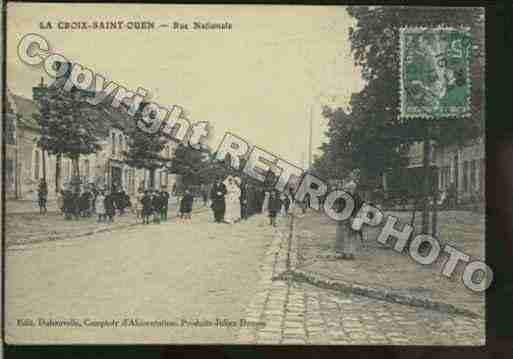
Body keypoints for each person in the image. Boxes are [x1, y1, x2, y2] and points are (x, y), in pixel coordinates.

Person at [335, 180, 363, 260]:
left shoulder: (355, 197)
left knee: (350, 236)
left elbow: (360, 208)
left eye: (351, 188)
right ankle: (345, 253)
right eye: (349, 188)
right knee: (346, 236)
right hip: (347, 218)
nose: (349, 189)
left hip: (351, 218)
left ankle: (349, 253)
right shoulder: (349, 196)